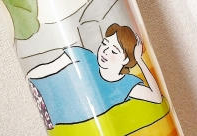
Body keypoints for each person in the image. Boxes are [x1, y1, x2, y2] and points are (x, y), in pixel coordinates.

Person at [27, 23, 163, 126]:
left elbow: (156, 98)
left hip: (49, 118)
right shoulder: (83, 55)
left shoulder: (125, 85)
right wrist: (28, 79)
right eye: (104, 44)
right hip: (37, 92)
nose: (105, 51)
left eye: (114, 51)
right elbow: (48, 68)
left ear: (126, 60)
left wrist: (139, 60)